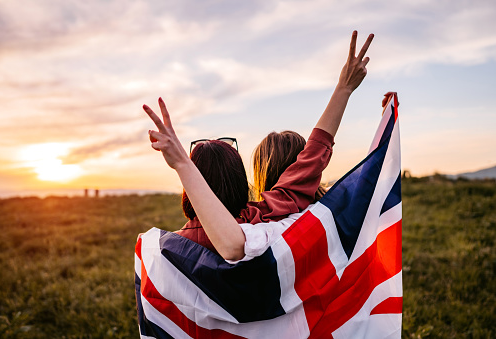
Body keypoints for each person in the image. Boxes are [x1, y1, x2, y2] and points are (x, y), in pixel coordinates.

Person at [143, 31, 374, 261]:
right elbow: (309, 161)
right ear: (238, 182)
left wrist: (183, 164)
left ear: (189, 192)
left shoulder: (163, 254)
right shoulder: (261, 223)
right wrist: (344, 88)